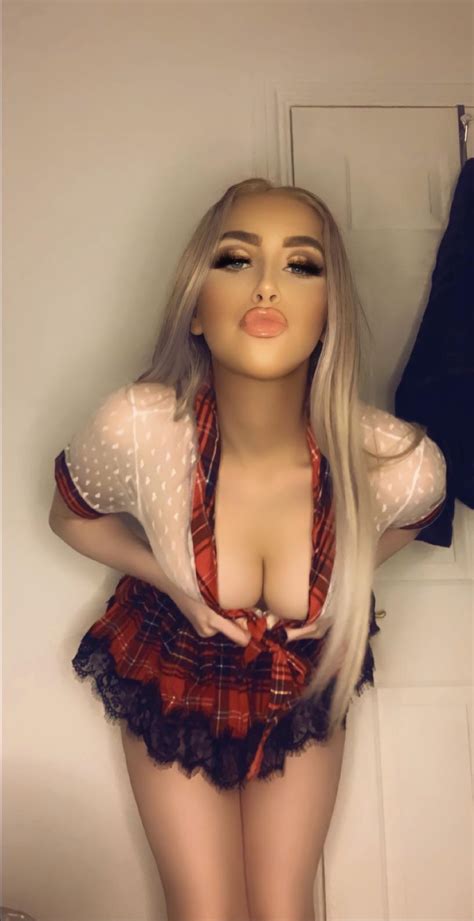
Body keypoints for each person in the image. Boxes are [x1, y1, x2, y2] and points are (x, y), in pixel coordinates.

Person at [49, 178, 447, 921]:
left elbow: (415, 515)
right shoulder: (137, 427)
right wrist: (172, 583)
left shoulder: (395, 463)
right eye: (236, 259)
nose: (267, 285)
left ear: (329, 314)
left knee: (284, 908)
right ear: (197, 308)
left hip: (301, 677)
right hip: (173, 666)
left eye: (301, 265)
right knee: (205, 910)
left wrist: (349, 583)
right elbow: (70, 518)